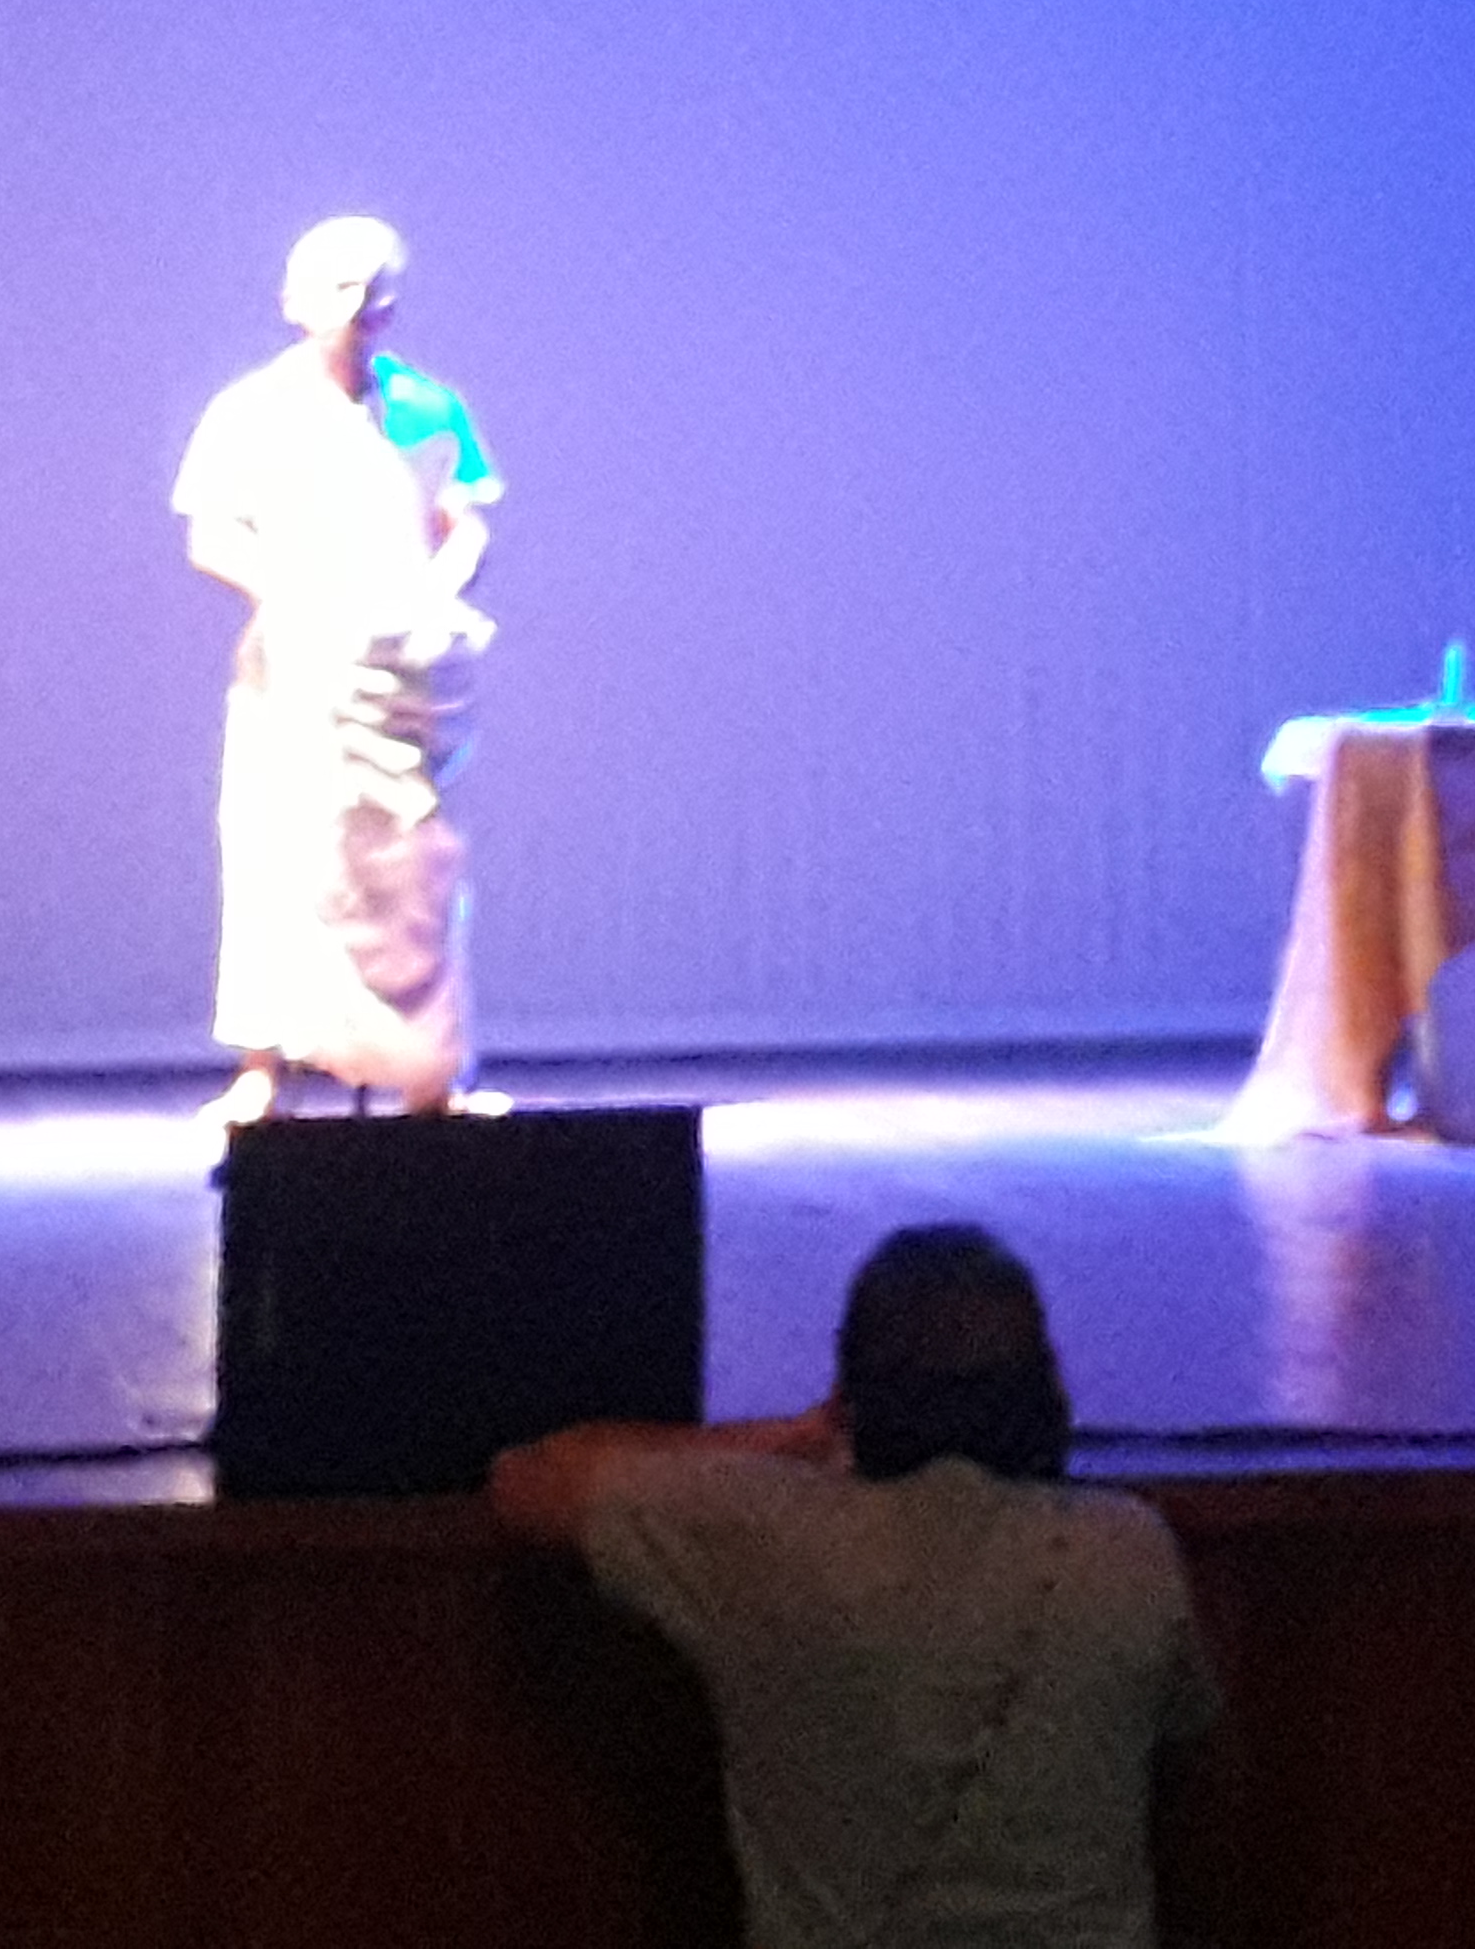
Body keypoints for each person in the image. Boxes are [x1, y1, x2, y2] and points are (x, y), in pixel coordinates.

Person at [490, 1224, 1231, 1949]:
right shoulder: (1129, 1550)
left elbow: (528, 1479)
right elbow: (1188, 1740)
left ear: (854, 1394)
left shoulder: (758, 1536)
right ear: (1043, 1390)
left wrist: (797, 1435)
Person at [172, 215, 501, 1122]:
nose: (357, 305)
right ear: (295, 300)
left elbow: (464, 523)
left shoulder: (426, 407)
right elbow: (212, 536)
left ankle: (429, 1075)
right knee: (278, 857)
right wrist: (297, 598)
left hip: (405, 676)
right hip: (296, 673)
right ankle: (262, 1070)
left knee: (413, 866)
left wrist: (435, 591)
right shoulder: (252, 409)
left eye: (372, 286)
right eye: (337, 285)